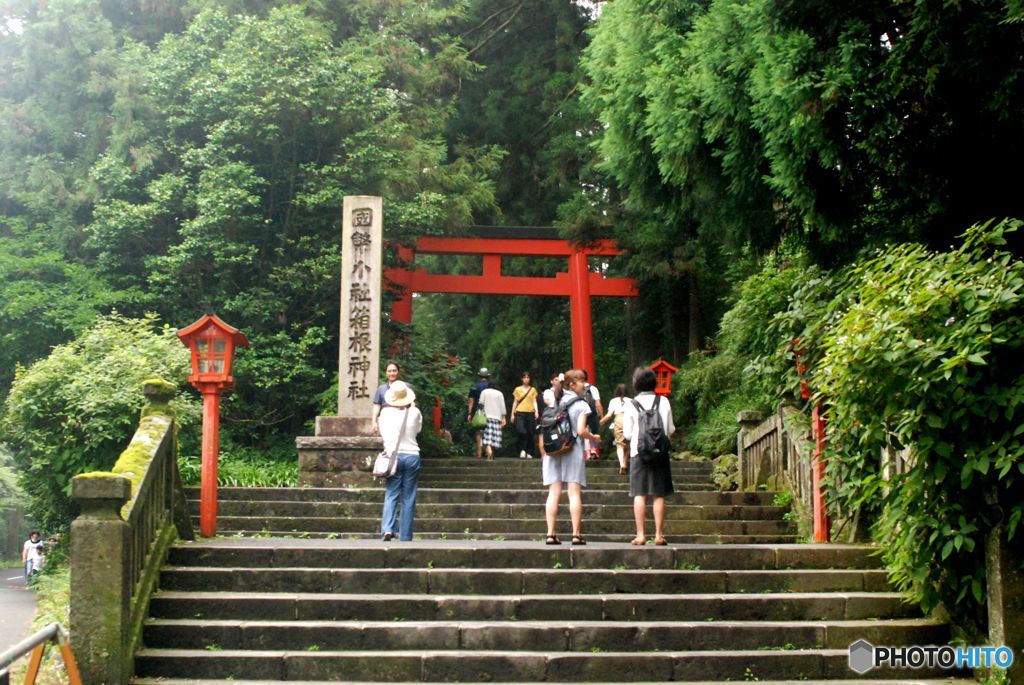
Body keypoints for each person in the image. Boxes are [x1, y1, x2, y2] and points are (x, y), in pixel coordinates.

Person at [541, 369, 600, 546]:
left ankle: (551, 534)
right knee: (574, 493)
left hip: (553, 450)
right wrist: (594, 438)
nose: (585, 385)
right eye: (582, 381)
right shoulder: (582, 404)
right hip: (572, 450)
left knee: (554, 492)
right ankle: (576, 534)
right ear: (572, 384)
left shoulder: (554, 401)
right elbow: (581, 431)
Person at [622, 366, 676, 545]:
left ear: (636, 383)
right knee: (658, 494)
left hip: (639, 453)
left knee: (640, 493)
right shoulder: (664, 401)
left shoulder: (630, 404)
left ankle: (641, 535)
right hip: (660, 453)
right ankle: (659, 535)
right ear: (654, 382)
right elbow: (670, 430)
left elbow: (628, 434)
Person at [378, 381, 423, 542]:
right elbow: (418, 430)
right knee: (408, 496)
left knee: (391, 493)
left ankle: (387, 529)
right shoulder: (415, 412)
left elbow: (383, 434)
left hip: (393, 456)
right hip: (412, 455)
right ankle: (405, 535)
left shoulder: (384, 413)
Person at [371, 360, 409, 435]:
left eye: (394, 371)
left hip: (402, 422)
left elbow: (412, 404)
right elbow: (377, 406)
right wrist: (374, 422)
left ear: (398, 372)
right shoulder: (381, 389)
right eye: (389, 371)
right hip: (386, 422)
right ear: (386, 373)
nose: (392, 373)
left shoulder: (406, 387)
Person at [600, 383, 630, 476]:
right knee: (628, 443)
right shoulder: (631, 401)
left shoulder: (613, 401)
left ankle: (622, 464)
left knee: (619, 444)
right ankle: (625, 463)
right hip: (629, 419)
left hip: (619, 419)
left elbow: (609, 415)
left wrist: (602, 421)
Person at [511, 371, 539, 459]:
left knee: (530, 432)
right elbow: (515, 402)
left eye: (528, 377)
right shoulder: (517, 389)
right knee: (521, 430)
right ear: (522, 379)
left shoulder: (533, 389)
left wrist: (536, 411)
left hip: (530, 412)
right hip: (520, 412)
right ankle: (522, 450)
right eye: (524, 377)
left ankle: (529, 451)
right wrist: (512, 414)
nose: (526, 379)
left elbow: (534, 401)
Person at [478, 381, 507, 460]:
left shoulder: (484, 392)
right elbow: (502, 407)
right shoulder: (499, 393)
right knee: (494, 436)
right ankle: (491, 451)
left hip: (486, 417)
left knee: (486, 435)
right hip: (496, 418)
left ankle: (488, 448)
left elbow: (480, 404)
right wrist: (503, 418)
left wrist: (480, 414)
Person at [466, 367, 491, 458]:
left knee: (479, 432)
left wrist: (469, 414)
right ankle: (488, 452)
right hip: (489, 410)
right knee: (488, 431)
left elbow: (471, 401)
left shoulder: (474, 386)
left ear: (479, 375)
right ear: (487, 376)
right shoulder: (490, 386)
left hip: (478, 411)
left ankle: (479, 452)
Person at [581, 369, 605, 460]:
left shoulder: (576, 388)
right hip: (592, 413)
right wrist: (602, 416)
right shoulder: (592, 388)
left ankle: (587, 454)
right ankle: (593, 450)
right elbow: (598, 404)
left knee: (585, 432)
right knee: (594, 432)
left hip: (582, 414)